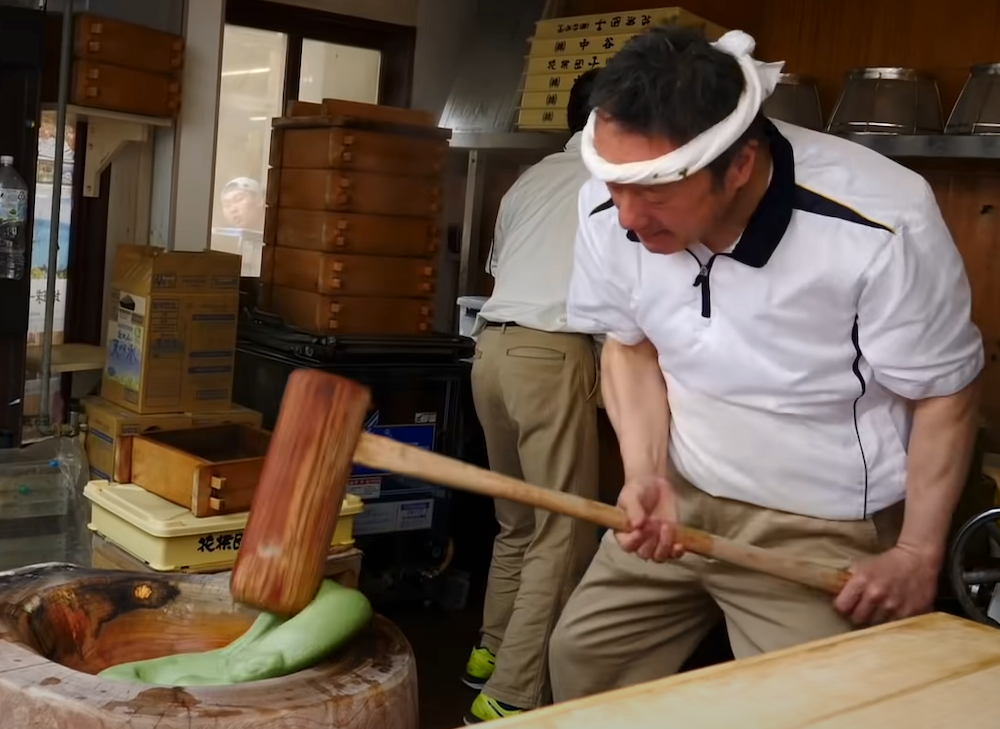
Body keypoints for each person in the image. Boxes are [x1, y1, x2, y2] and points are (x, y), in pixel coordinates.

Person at [547, 27, 983, 702]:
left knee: (817, 707)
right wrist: (645, 474)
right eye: (613, 183)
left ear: (741, 164)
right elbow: (630, 347)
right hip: (683, 492)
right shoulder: (611, 206)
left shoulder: (881, 218)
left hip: (819, 522)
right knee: (585, 657)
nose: (626, 217)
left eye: (657, 189)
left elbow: (944, 392)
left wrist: (917, 553)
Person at [462, 69, 603, 724]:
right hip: (551, 353)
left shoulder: (531, 177)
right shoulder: (614, 181)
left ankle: (488, 653)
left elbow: (500, 267)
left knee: (517, 521)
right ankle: (512, 693)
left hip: (489, 349)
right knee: (561, 528)